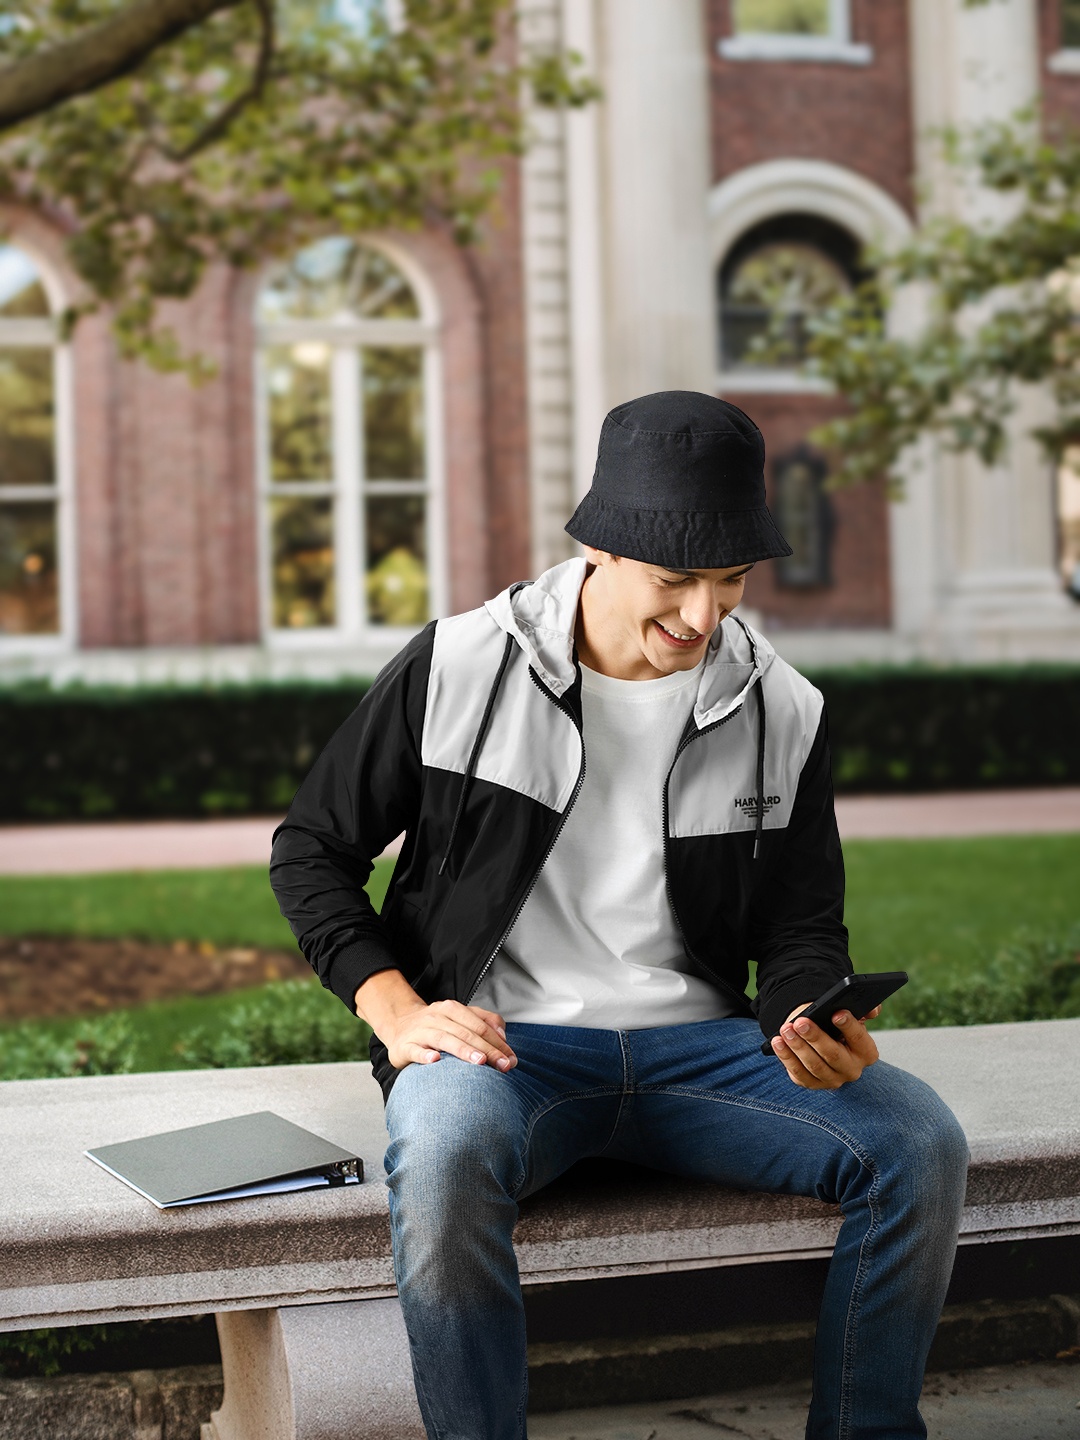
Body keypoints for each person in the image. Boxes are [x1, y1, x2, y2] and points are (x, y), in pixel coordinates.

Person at [270, 391, 970, 1440]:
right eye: (675, 579)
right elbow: (311, 849)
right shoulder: (460, 665)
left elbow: (801, 923)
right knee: (448, 1148)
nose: (702, 616)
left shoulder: (783, 706)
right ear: (599, 548)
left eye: (729, 580)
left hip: (705, 1056)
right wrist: (396, 1009)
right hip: (506, 1053)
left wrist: (801, 1012)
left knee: (916, 1139)